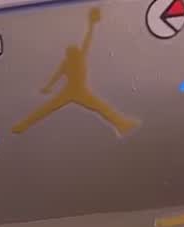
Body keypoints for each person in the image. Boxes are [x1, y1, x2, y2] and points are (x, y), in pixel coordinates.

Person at [12, 8, 138, 138]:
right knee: (100, 107)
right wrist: (48, 87)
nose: (73, 53)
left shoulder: (74, 59)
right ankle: (122, 124)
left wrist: (91, 25)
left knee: (48, 109)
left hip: (77, 91)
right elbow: (57, 75)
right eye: (72, 52)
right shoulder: (75, 59)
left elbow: (86, 41)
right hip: (74, 91)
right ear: (72, 54)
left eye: (72, 52)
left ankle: (122, 124)